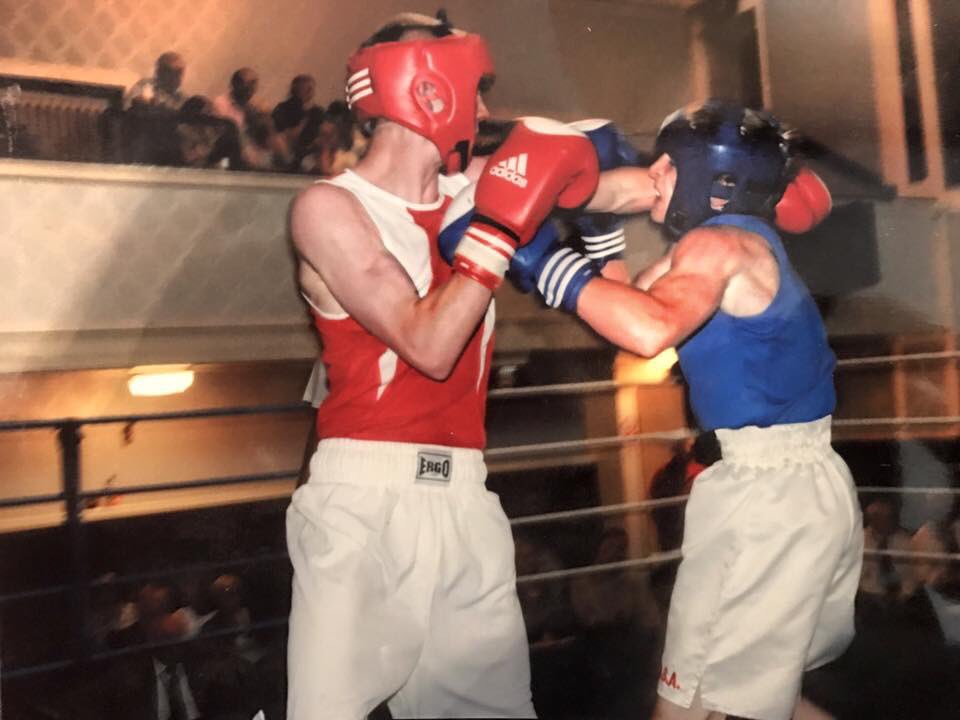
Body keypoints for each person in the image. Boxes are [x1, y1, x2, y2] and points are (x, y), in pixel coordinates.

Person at [285, 11, 600, 720]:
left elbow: (617, 186)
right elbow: (427, 345)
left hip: (466, 500)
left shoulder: (475, 189)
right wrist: (497, 230)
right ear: (427, 90)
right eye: (475, 89)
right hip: (364, 504)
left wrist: (673, 166)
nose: (484, 110)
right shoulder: (329, 209)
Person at [508, 99, 859, 720]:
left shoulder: (719, 247)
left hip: (766, 496)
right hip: (794, 486)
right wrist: (592, 227)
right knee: (754, 699)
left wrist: (545, 262)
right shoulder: (724, 243)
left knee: (689, 705)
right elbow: (626, 309)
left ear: (712, 181)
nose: (655, 178)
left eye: (668, 168)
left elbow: (649, 331)